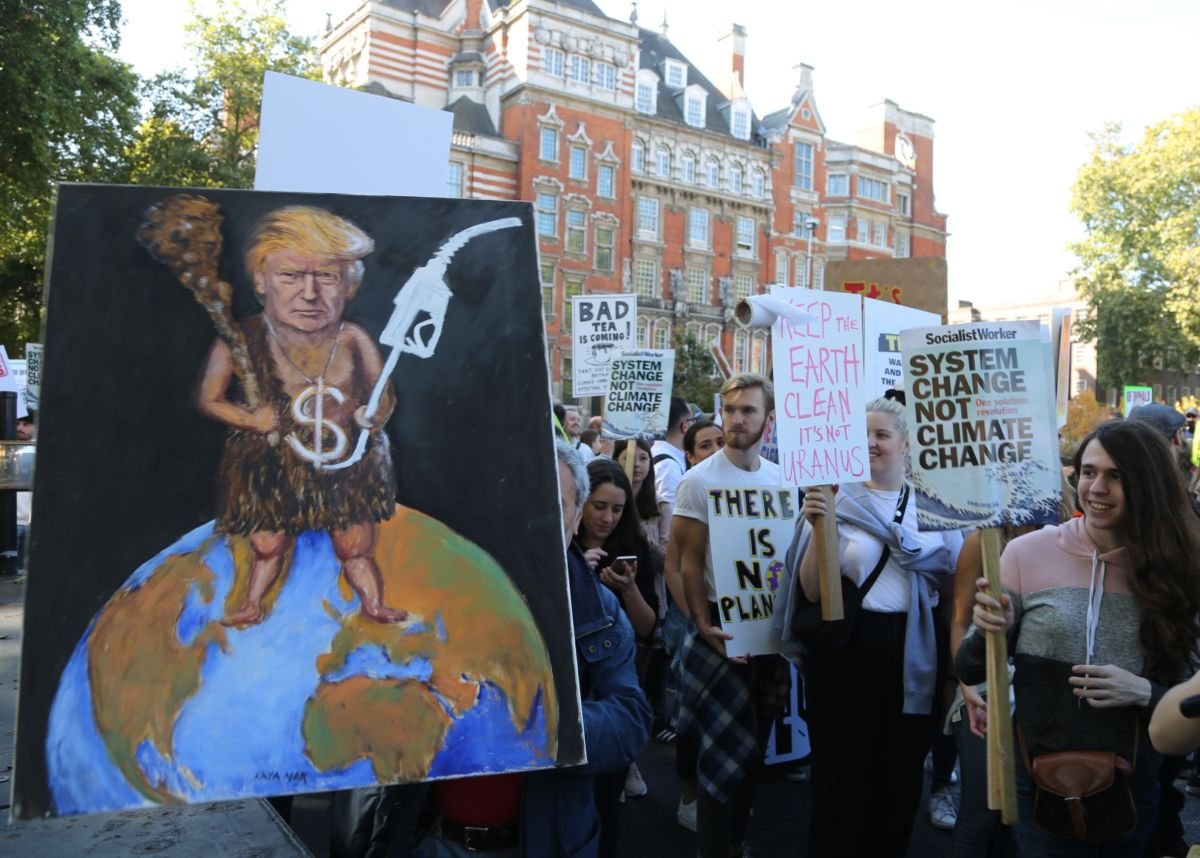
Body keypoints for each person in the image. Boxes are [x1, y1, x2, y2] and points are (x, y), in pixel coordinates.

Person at [959, 419, 1200, 857]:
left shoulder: (1182, 565)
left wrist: (1145, 692)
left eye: (1116, 475)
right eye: (1088, 472)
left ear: (1149, 483)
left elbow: (1192, 697)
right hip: (1036, 782)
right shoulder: (1025, 553)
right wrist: (994, 630)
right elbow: (971, 667)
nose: (1096, 488)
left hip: (1132, 785)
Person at [413, 440, 651, 857]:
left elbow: (630, 723)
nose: (532, 516)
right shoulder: (425, 595)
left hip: (543, 842)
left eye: (552, 504)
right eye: (520, 497)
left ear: (576, 518)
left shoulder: (600, 612)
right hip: (431, 840)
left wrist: (539, 720)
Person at [195, 206, 406, 626]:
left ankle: (373, 604)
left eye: (326, 277)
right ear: (262, 281)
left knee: (355, 544)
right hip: (273, 460)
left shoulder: (352, 338)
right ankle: (253, 602)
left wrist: (370, 416)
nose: (309, 293)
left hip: (345, 462)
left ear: (348, 286)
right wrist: (251, 420)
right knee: (268, 544)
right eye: (290, 275)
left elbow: (384, 396)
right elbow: (210, 399)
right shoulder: (242, 339)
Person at [778, 395, 963, 858]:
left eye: (881, 434)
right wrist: (820, 523)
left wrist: (955, 671)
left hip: (914, 654)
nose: (871, 444)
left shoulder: (939, 507)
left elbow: (954, 586)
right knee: (839, 778)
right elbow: (813, 592)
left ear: (905, 444)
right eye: (862, 436)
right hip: (847, 652)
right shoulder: (833, 495)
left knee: (898, 779)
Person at [674, 373, 789, 858]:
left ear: (769, 418)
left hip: (767, 632)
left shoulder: (783, 480)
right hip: (719, 628)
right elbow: (685, 563)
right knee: (718, 760)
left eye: (748, 410)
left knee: (754, 753)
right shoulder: (698, 481)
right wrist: (702, 625)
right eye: (730, 410)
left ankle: (736, 843)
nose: (737, 419)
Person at [576, 457, 659, 817]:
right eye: (599, 506)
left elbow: (647, 626)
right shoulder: (558, 547)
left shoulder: (632, 545)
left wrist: (627, 590)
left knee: (605, 807)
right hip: (577, 684)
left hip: (614, 684)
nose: (607, 518)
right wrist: (576, 573)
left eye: (617, 509)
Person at [660, 417, 725, 832]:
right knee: (694, 718)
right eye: (705, 445)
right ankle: (689, 794)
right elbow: (674, 567)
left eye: (720, 442)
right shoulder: (693, 494)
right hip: (699, 627)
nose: (716, 450)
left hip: (738, 626)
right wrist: (695, 621)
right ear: (689, 456)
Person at [650, 397, 695, 520]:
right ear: (685, 426)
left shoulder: (659, 454)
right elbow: (670, 516)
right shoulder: (668, 466)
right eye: (693, 420)